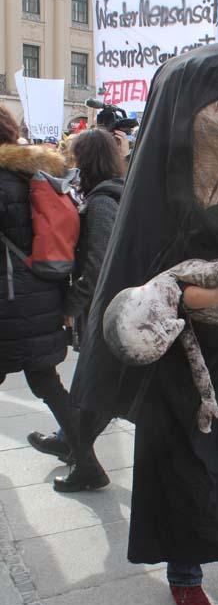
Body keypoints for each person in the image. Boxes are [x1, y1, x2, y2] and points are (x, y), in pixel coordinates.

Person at [69, 45, 218, 605]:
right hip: (175, 368)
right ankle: (185, 571)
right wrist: (205, 293)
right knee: (180, 471)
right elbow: (140, 296)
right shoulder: (154, 211)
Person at [27, 128, 125, 487]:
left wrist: (73, 303)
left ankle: (76, 451)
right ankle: (70, 441)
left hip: (108, 309)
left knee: (97, 387)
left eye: (74, 157)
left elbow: (99, 263)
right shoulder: (109, 194)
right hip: (109, 307)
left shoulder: (102, 201)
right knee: (92, 385)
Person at [0, 106, 80, 459]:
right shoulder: (35, 173)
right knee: (47, 382)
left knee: (46, 382)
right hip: (42, 292)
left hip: (10, 301)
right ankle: (88, 460)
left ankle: (87, 461)